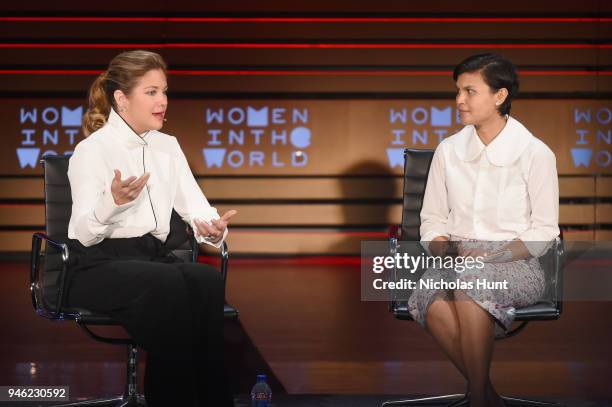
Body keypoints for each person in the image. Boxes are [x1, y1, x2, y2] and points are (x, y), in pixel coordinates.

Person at [65, 50, 236, 407]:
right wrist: (113, 202)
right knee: (169, 282)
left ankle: (209, 399)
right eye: (152, 92)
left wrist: (213, 230)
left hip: (150, 259)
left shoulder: (167, 147)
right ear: (122, 99)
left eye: (165, 91)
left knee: (204, 280)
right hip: (95, 264)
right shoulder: (91, 151)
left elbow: (196, 207)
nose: (163, 101)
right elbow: (81, 232)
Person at [410, 53, 560, 407]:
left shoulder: (535, 153)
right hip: (456, 258)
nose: (459, 100)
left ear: (499, 96)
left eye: (469, 91)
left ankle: (478, 398)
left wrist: (494, 254)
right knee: (430, 299)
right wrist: (448, 250)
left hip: (516, 261)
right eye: (458, 91)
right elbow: (431, 221)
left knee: (471, 283)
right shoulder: (448, 151)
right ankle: (487, 397)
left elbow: (544, 230)